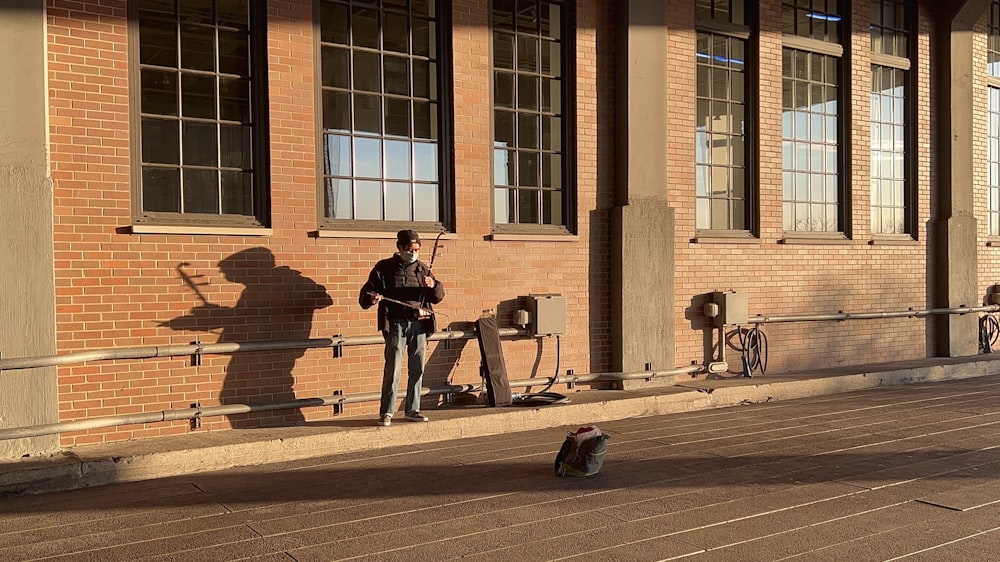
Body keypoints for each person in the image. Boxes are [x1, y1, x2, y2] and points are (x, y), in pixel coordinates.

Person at [359, 229, 446, 427]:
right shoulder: (384, 268)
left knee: (417, 368)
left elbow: (438, 296)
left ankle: (413, 409)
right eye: (409, 249)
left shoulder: (423, 269)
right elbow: (365, 294)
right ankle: (387, 411)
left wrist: (433, 285)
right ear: (399, 248)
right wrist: (372, 298)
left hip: (419, 324)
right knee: (393, 368)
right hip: (396, 324)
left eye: (416, 249)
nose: (413, 253)